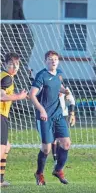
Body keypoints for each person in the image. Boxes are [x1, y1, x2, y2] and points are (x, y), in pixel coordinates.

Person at [29, 50, 71, 185]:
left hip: (58, 114)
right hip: (44, 117)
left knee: (66, 143)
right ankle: (39, 173)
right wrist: (41, 110)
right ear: (45, 61)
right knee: (46, 148)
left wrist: (65, 91)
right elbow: (32, 94)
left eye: (55, 59)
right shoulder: (41, 76)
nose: (53, 61)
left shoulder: (59, 74)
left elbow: (59, 85)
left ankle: (58, 170)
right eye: (50, 59)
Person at [0, 52, 28, 187]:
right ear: (5, 65)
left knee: (7, 147)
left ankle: (0, 179)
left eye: (17, 64)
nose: (14, 67)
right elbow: (2, 96)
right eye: (11, 64)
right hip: (0, 116)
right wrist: (18, 97)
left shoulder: (4, 76)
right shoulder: (7, 79)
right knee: (1, 149)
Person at [51, 87, 76, 165]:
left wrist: (72, 113)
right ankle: (55, 159)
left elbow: (72, 100)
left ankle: (58, 160)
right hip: (51, 115)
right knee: (54, 139)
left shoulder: (65, 88)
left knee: (61, 139)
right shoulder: (48, 84)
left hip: (63, 115)